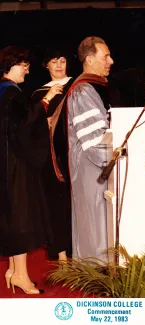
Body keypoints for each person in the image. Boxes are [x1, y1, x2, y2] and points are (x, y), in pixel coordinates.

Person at [0, 45, 62, 294]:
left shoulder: (4, 91)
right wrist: (46, 101)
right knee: (21, 219)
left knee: (14, 219)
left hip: (6, 164)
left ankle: (14, 271)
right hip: (15, 166)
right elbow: (24, 126)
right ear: (11, 65)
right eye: (23, 65)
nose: (27, 70)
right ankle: (22, 275)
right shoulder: (11, 92)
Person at [67, 36, 114, 262]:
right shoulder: (83, 91)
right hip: (93, 167)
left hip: (96, 166)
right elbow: (95, 140)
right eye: (105, 56)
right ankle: (95, 277)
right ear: (89, 59)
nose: (111, 61)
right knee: (95, 222)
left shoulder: (91, 88)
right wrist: (116, 159)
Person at [32, 47, 74, 262]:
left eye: (63, 60)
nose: (59, 65)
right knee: (57, 205)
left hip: (76, 154)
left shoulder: (78, 86)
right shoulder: (39, 95)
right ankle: (61, 253)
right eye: (53, 61)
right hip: (52, 158)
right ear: (46, 65)